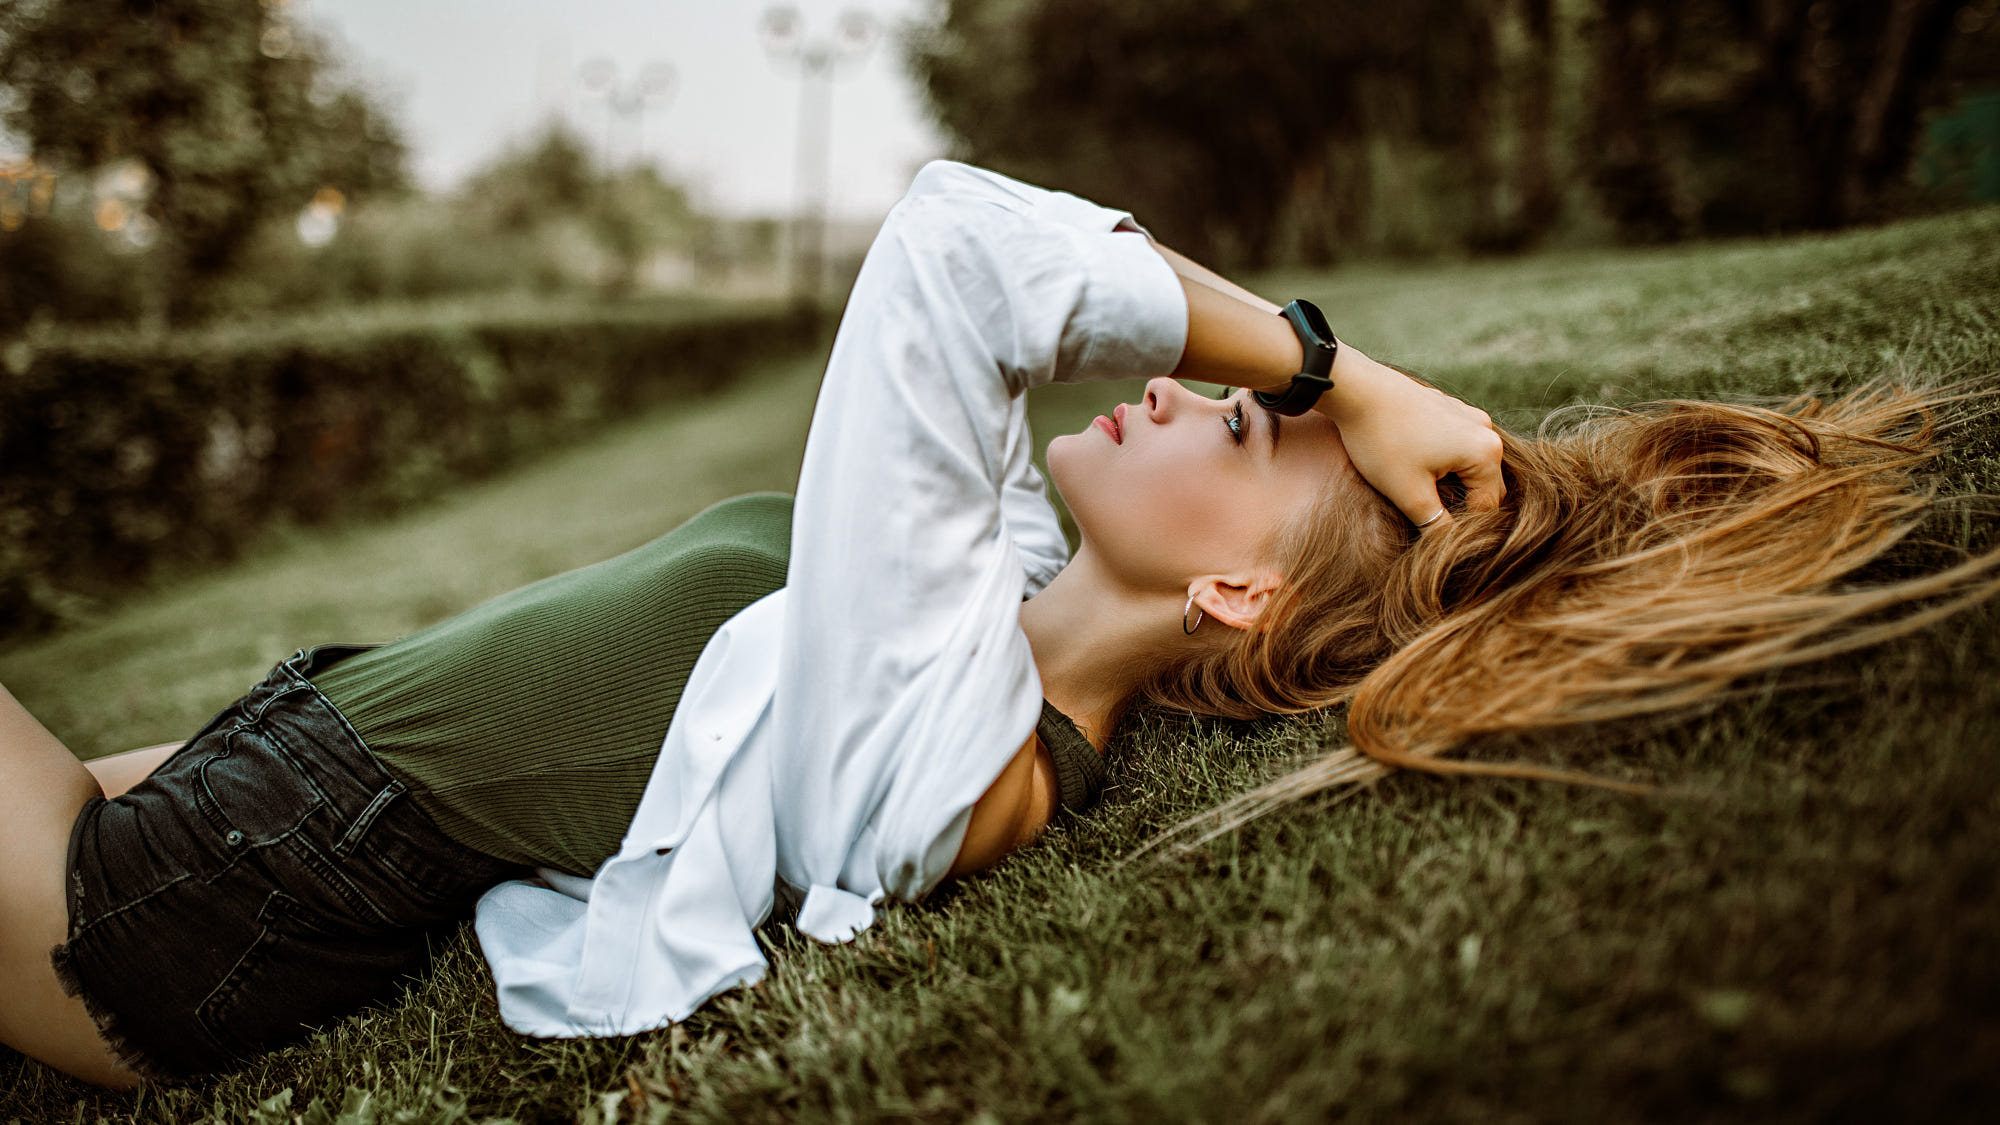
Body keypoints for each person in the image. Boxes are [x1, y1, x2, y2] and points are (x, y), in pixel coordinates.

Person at [0, 162, 1988, 1090]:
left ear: (1231, 588)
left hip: (173, 906)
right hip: (235, 774)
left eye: (1246, 430)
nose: (1215, 385)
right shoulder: (994, 594)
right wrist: (1395, 426)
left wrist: (1328, 365)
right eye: (1254, 389)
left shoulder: (962, 750)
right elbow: (1067, 281)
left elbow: (962, 252)